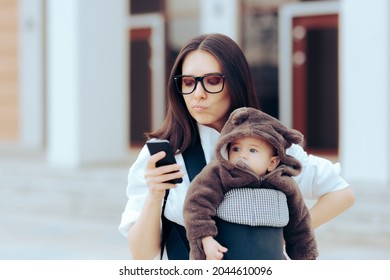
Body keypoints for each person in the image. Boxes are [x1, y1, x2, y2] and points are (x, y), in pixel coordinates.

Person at [118, 33, 355, 260]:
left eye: (212, 81)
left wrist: (287, 235)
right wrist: (154, 195)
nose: (197, 94)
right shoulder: (165, 153)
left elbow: (341, 193)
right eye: (188, 82)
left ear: (236, 83)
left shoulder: (270, 145)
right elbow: (141, 254)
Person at [183, 107, 317, 260]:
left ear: (273, 163)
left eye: (253, 150)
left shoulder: (285, 185)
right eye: (236, 148)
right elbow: (197, 205)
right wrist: (206, 240)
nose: (242, 155)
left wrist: (305, 258)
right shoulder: (220, 174)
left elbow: (300, 225)